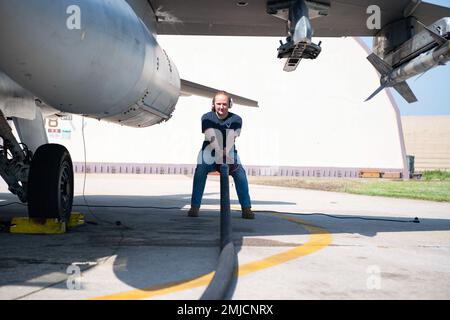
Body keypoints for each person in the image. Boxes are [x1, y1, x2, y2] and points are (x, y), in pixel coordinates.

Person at [187, 91, 254, 219]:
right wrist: (219, 152)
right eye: (218, 104)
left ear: (230, 104)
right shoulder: (207, 117)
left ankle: (246, 208)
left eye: (224, 104)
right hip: (209, 152)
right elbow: (210, 134)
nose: (221, 107)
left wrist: (225, 154)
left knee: (240, 173)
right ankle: (194, 207)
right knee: (200, 171)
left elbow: (232, 136)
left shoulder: (236, 119)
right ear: (213, 104)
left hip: (229, 151)